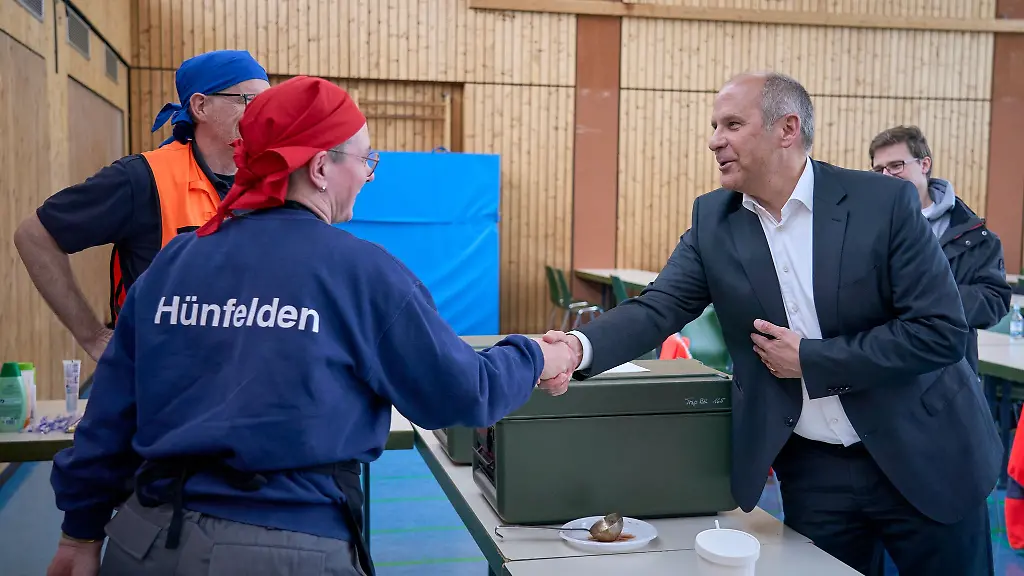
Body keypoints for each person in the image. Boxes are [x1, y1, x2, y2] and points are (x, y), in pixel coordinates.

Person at [45, 76, 578, 576]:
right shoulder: (360, 273)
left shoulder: (176, 261)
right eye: (365, 159)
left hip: (146, 541)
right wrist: (540, 355)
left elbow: (110, 414)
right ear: (321, 167)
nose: (368, 175)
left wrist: (79, 532)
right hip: (286, 547)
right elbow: (464, 392)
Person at [543, 71, 1001, 575]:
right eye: (715, 126)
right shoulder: (714, 221)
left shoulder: (881, 203)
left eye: (732, 125)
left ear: (787, 129)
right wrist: (574, 349)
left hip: (923, 451)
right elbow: (657, 308)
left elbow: (940, 331)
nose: (714, 140)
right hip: (815, 470)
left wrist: (811, 359)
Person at [14, 49, 271, 361]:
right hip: (157, 379)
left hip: (239, 377)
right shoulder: (141, 178)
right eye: (250, 101)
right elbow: (35, 236)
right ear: (201, 106)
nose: (264, 114)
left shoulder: (269, 181)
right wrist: (92, 336)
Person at [869, 125, 1010, 374]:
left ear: (924, 164)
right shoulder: (863, 227)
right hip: (883, 373)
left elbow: (994, 302)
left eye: (896, 166)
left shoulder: (975, 235)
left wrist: (930, 298)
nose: (887, 176)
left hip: (949, 378)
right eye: (879, 169)